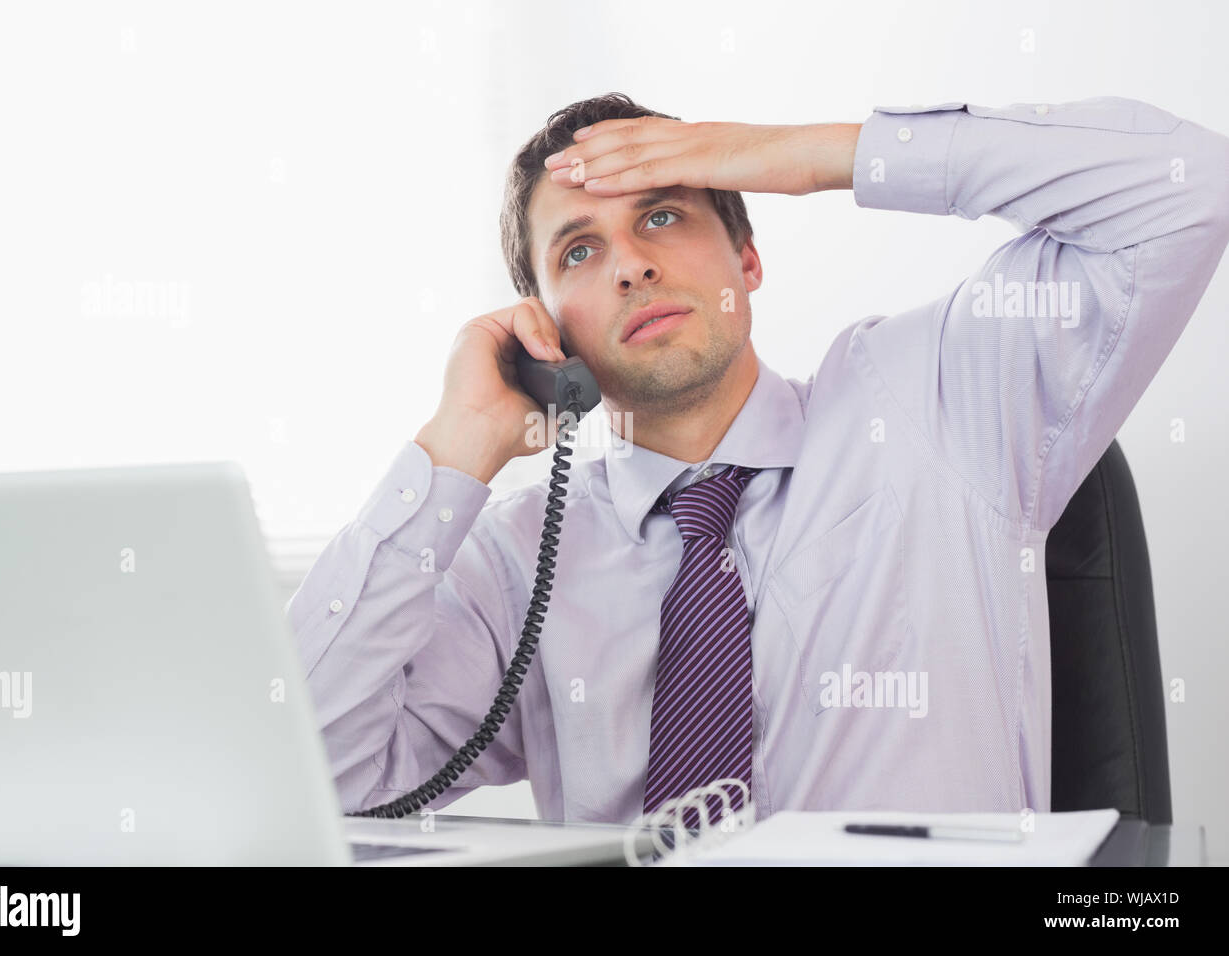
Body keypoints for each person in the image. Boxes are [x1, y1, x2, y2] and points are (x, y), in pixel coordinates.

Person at [287, 92, 1229, 826]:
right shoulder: (517, 559)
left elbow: (1188, 185)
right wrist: (456, 445)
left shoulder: (935, 404)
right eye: (578, 251)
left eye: (663, 217)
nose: (629, 265)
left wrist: (805, 155)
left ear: (748, 258)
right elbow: (318, 785)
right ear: (545, 334)